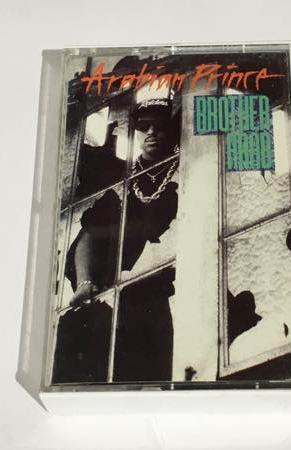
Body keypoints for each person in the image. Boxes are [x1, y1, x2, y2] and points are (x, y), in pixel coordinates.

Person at [52, 98, 180, 383]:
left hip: (164, 292)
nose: (151, 132)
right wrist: (85, 283)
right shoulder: (121, 182)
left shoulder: (187, 170)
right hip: (123, 294)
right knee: (77, 332)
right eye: (144, 126)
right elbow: (89, 235)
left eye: (159, 126)